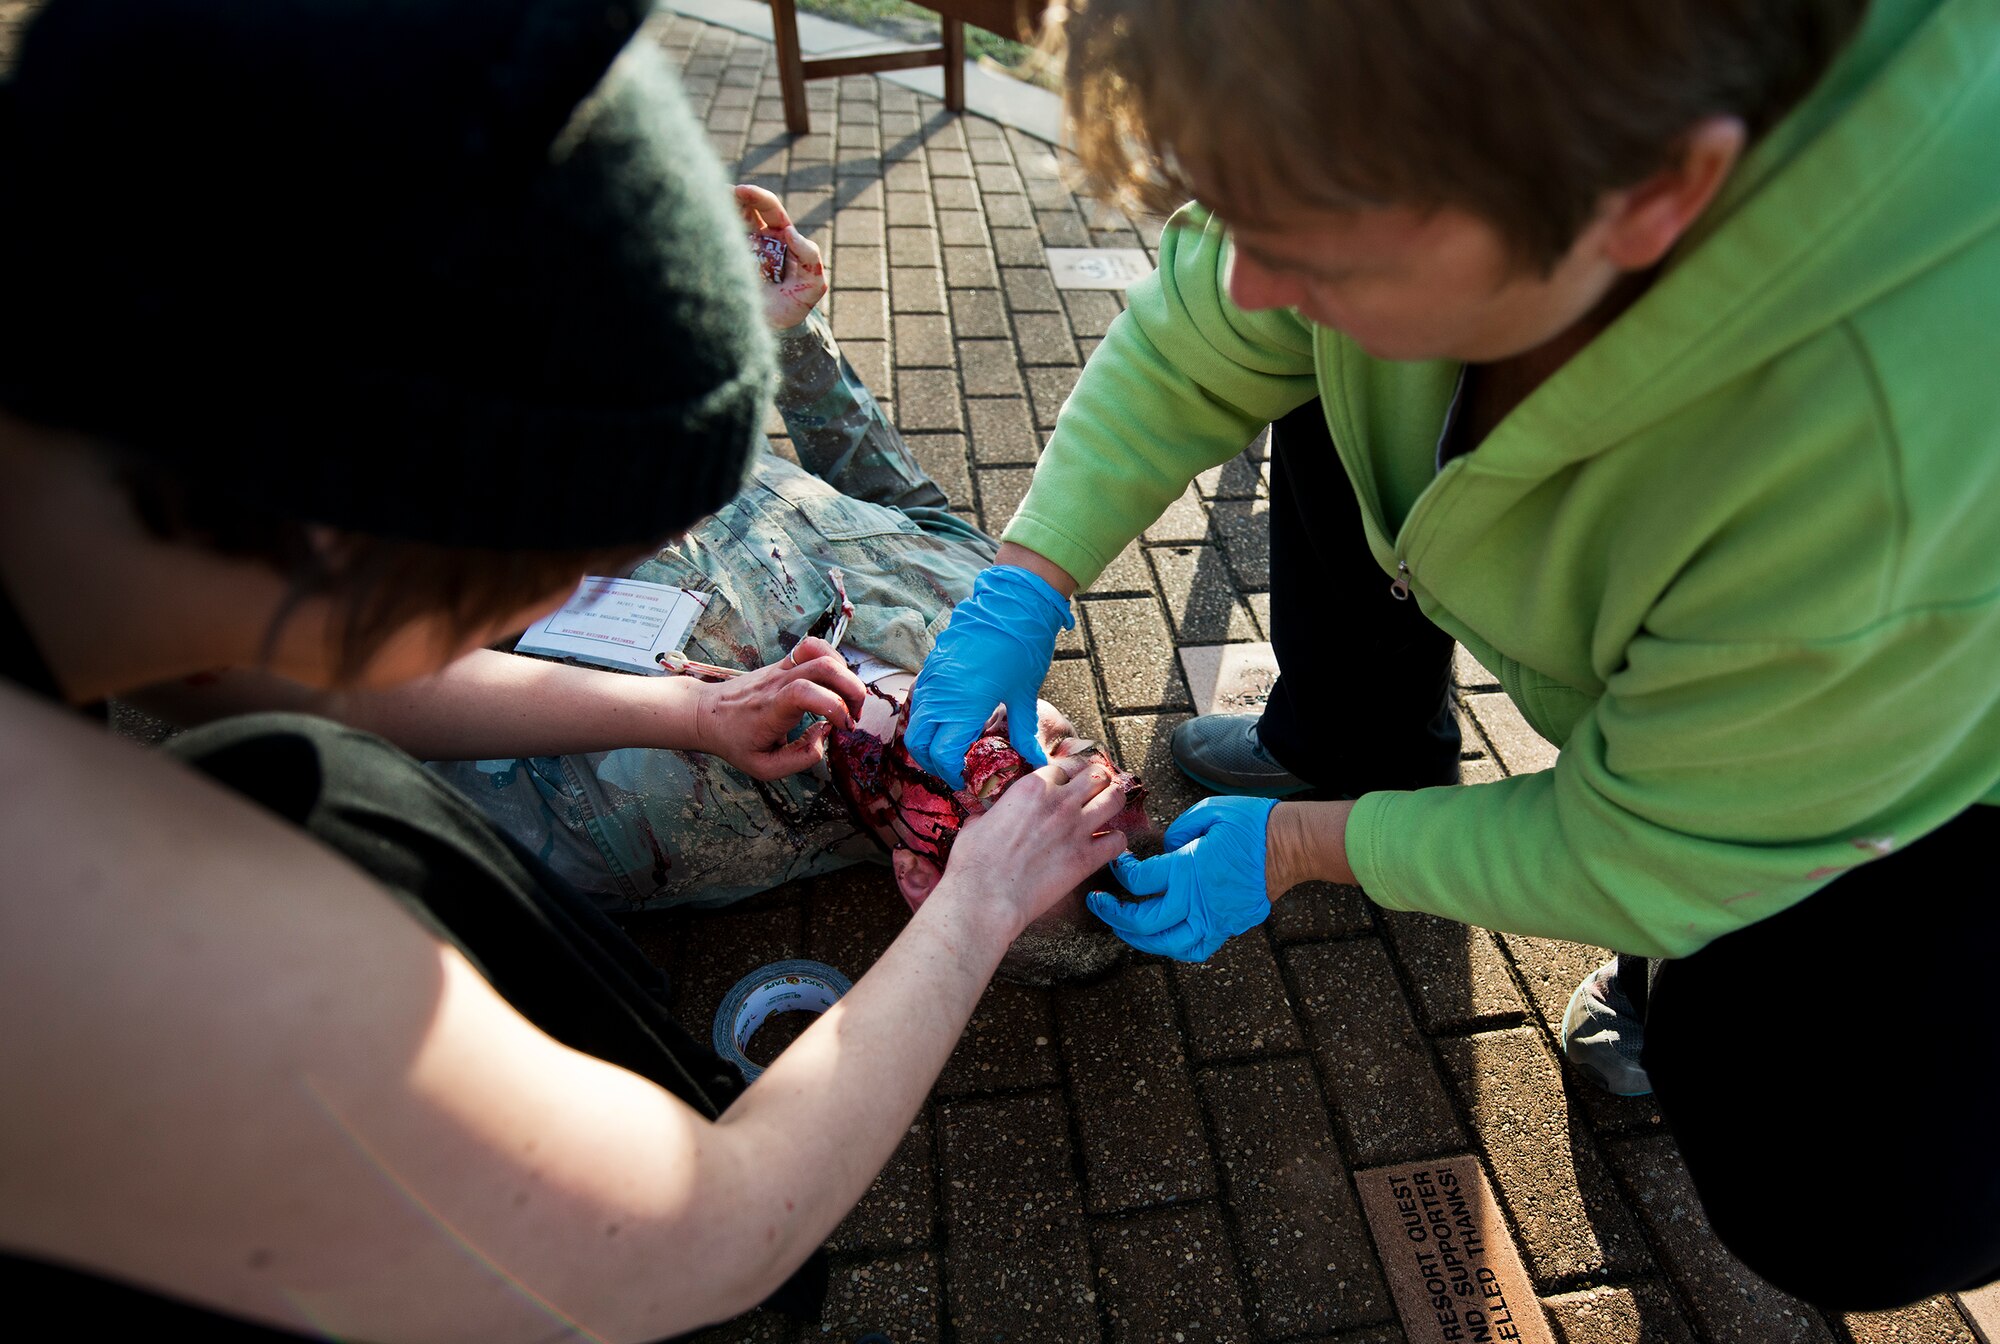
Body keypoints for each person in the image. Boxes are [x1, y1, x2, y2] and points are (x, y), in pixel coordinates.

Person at [0, 2, 1128, 1340]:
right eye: (559, 562)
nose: (1004, 744)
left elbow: (262, 684)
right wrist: (781, 340)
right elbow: (697, 1239)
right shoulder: (122, 909)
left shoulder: (174, 635)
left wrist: (698, 722)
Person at [904, 0, 2000, 1311]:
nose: (1248, 275)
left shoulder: (1879, 469)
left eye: (1322, 243)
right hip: (1755, 681)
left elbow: (1642, 851)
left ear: (1654, 192)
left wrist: (1306, 844)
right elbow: (1209, 321)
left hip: (1922, 742)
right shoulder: (1448, 152)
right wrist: (1025, 579)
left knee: (1849, 1207)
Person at [422, 187, 1148, 983]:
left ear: (922, 879)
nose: (1008, 743)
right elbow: (904, 503)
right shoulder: (988, 615)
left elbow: (366, 692)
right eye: (1066, 751)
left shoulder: (640, 837)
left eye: (1000, 803)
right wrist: (790, 333)